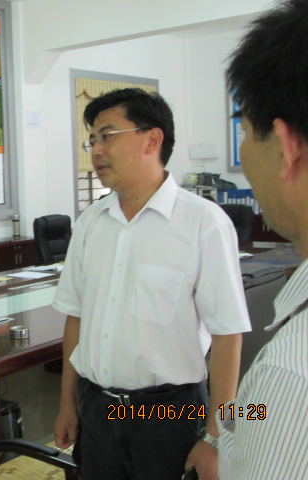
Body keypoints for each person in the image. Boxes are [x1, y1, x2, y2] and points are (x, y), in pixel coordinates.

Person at [52, 88, 251, 480]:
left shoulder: (203, 223)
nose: (96, 150)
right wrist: (66, 405)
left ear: (152, 139)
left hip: (169, 416)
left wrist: (214, 438)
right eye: (92, 139)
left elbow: (228, 335)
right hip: (97, 410)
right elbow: (76, 317)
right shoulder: (91, 223)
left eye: (107, 136)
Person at [219, 1, 308, 478]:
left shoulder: (290, 377)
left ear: (286, 145)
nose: (98, 148)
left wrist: (217, 431)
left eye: (246, 130)